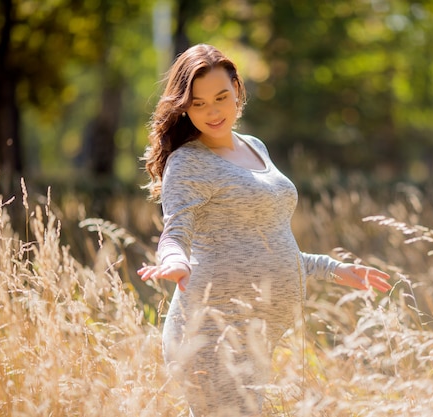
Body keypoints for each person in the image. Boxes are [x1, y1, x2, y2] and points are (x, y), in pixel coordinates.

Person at [137, 44, 391, 417]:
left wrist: (332, 268)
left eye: (221, 97)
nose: (213, 111)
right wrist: (175, 262)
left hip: (254, 337)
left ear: (237, 90)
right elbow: (175, 233)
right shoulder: (188, 161)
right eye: (199, 103)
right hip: (210, 333)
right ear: (184, 107)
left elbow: (267, 242)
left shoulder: (254, 147)